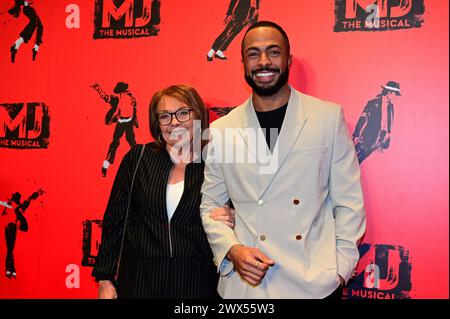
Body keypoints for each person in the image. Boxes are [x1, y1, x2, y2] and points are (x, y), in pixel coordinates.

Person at [200, 21, 366, 299]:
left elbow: (349, 202)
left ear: (288, 59)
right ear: (243, 63)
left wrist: (340, 270)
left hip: (313, 283)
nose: (263, 61)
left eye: (273, 52)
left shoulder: (326, 118)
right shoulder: (221, 130)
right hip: (246, 287)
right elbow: (210, 206)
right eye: (254, 54)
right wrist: (233, 250)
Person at [92, 84, 234, 299]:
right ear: (156, 123)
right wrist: (105, 278)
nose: (174, 122)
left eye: (183, 113)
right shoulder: (138, 159)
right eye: (165, 116)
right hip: (140, 283)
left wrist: (235, 217)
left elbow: (248, 214)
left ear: (198, 116)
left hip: (198, 284)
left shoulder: (216, 163)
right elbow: (114, 221)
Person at [91, 82, 139, 177]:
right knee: (114, 144)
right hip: (120, 123)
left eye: (123, 92)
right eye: (121, 92)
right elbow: (105, 97)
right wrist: (98, 88)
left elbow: (134, 109)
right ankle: (106, 165)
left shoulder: (130, 97)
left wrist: (135, 121)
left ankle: (139, 163)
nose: (123, 94)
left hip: (128, 124)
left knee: (132, 143)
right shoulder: (116, 99)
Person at [352, 81, 401, 164]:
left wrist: (386, 137)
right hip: (367, 137)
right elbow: (363, 118)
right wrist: (356, 134)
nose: (396, 97)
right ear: (389, 92)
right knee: (353, 158)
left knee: (361, 160)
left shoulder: (391, 107)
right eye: (396, 94)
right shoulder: (373, 103)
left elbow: (389, 123)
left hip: (379, 140)